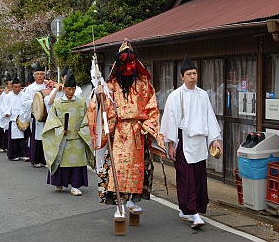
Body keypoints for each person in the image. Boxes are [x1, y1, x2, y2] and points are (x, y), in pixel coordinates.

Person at [87, 39, 166, 217]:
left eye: (131, 62)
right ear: (118, 64)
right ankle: (119, 205)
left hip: (138, 131)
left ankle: (131, 200)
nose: (128, 66)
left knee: (138, 168)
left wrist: (148, 125)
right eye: (125, 62)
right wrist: (98, 97)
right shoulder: (111, 86)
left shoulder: (144, 84)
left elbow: (152, 108)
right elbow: (103, 109)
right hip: (120, 132)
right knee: (120, 169)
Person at [160, 54, 223, 229]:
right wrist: (170, 145)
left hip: (199, 142)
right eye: (189, 74)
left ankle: (187, 209)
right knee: (186, 179)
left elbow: (210, 117)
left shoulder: (203, 95)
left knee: (198, 177)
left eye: (194, 73)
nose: (193, 77)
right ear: (182, 76)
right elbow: (170, 121)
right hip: (183, 141)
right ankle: (193, 213)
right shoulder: (175, 96)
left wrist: (215, 139)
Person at [42, 70, 94, 195]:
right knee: (61, 161)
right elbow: (51, 121)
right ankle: (58, 182)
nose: (71, 92)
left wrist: (82, 130)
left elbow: (87, 118)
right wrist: (60, 130)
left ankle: (75, 185)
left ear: (75, 89)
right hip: (62, 137)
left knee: (77, 163)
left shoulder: (81, 102)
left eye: (73, 89)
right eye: (68, 89)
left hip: (78, 137)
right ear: (63, 89)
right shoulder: (57, 103)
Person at [21, 63, 48, 168]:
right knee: (37, 137)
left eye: (42, 74)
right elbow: (24, 101)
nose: (40, 76)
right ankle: (37, 160)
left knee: (47, 138)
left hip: (47, 116)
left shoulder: (48, 86)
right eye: (38, 74)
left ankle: (46, 160)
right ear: (34, 76)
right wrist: (36, 102)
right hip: (36, 116)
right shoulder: (30, 88)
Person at [1, 76, 28, 161]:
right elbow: (4, 106)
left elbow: (27, 105)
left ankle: (24, 153)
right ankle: (14, 154)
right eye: (15, 87)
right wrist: (7, 112)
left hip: (22, 118)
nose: (17, 89)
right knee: (14, 138)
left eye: (19, 87)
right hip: (13, 119)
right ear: (12, 87)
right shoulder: (7, 96)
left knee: (23, 138)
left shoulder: (24, 95)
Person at [0, 74, 12, 153]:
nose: (11, 86)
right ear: (6, 85)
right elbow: (2, 105)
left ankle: (9, 146)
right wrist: (5, 112)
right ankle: (2, 146)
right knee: (3, 130)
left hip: (11, 115)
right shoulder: (4, 94)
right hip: (4, 115)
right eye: (10, 84)